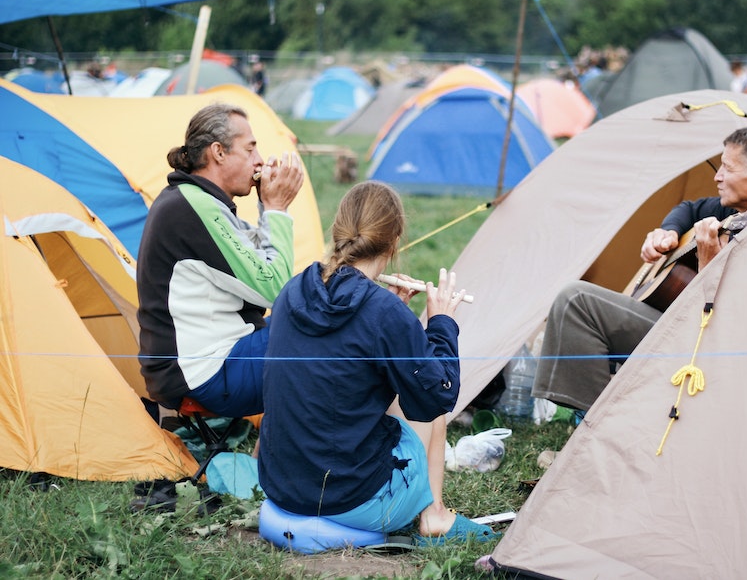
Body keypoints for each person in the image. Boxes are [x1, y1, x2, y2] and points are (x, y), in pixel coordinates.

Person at [258, 181, 497, 544]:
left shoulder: (294, 290)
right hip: (350, 499)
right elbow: (439, 393)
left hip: (282, 484)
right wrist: (441, 323)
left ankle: (426, 512)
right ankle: (434, 517)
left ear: (339, 230)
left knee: (409, 376)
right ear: (394, 240)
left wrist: (394, 311)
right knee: (426, 385)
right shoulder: (381, 313)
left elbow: (341, 352)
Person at [532, 123, 747, 412]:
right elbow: (689, 209)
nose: (717, 177)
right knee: (579, 301)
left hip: (708, 354)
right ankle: (596, 414)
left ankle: (598, 426)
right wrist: (668, 232)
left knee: (577, 300)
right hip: (679, 328)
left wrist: (709, 263)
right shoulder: (735, 211)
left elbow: (727, 325)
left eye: (728, 169)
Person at [137, 103, 305, 417]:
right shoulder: (191, 207)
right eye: (251, 148)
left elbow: (255, 260)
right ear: (219, 152)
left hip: (210, 361)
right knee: (332, 340)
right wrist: (277, 209)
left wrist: (268, 206)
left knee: (318, 323)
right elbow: (274, 288)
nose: (259, 160)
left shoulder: (195, 201)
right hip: (207, 371)